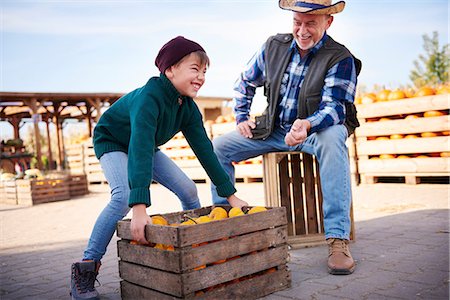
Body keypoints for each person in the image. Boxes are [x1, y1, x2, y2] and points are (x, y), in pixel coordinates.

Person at [70, 36, 248, 300]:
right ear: (170, 69)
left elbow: (205, 152)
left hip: (144, 145)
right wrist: (139, 207)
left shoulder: (186, 106)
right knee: (122, 197)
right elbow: (140, 146)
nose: (201, 77)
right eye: (194, 69)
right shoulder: (149, 97)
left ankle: (193, 251)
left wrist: (230, 196)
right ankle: (86, 267)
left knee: (189, 190)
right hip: (114, 141)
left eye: (204, 71)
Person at [211, 0, 361, 275]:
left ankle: (337, 239)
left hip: (314, 132)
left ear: (328, 22)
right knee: (218, 147)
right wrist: (242, 116)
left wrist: (306, 124)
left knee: (334, 137)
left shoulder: (340, 58)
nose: (302, 31)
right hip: (274, 128)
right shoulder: (273, 46)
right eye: (297, 23)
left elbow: (335, 108)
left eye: (311, 24)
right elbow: (244, 81)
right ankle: (222, 224)